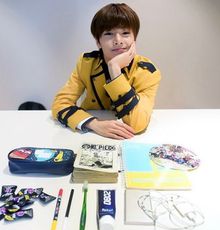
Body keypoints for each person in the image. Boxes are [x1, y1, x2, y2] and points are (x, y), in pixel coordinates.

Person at [52, 3, 161, 140]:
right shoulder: (86, 63)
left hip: (128, 139)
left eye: (125, 33)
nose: (118, 40)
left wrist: (115, 69)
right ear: (98, 42)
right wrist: (94, 124)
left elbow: (137, 125)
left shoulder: (147, 72)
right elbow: (60, 103)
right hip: (89, 135)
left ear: (135, 39)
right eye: (109, 34)